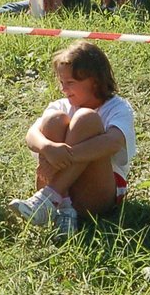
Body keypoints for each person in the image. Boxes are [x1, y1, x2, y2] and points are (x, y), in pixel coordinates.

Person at [9, 42, 135, 235]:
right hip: (67, 193)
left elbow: (114, 141)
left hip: (97, 194)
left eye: (70, 83)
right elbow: (31, 135)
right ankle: (63, 209)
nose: (63, 89)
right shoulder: (60, 105)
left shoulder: (117, 107)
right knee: (54, 120)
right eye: (61, 83)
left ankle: (48, 198)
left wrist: (64, 157)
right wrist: (49, 149)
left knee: (86, 119)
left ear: (94, 81)